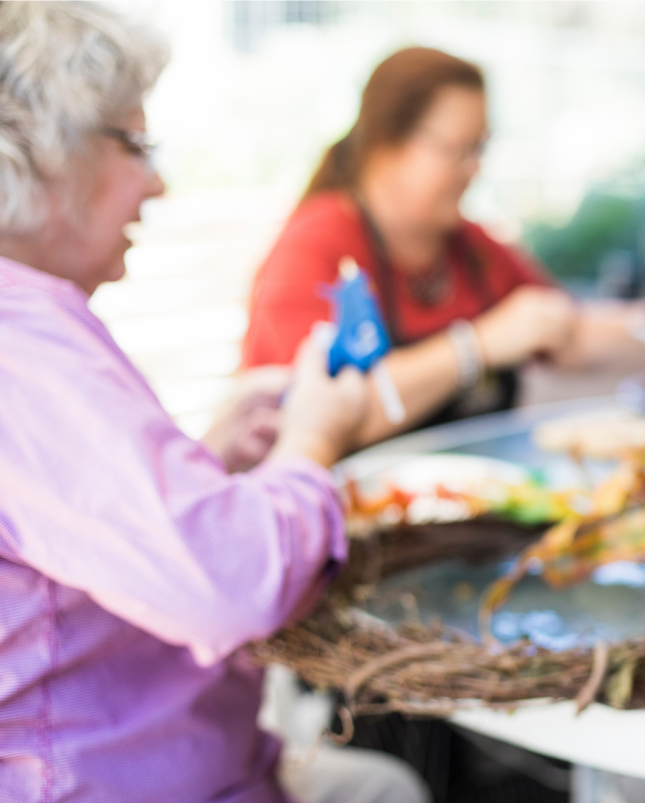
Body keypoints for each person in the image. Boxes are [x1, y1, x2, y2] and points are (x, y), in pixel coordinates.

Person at [0, 5, 425, 802]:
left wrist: (208, 457)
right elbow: (229, 585)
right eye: (136, 144)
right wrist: (312, 442)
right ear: (38, 151)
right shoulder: (22, 346)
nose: (156, 180)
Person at [242, 46, 645, 444]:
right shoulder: (317, 246)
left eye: (481, 148)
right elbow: (312, 421)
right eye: (457, 150)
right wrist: (477, 345)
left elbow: (560, 326)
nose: (475, 169)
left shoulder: (469, 246)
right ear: (384, 145)